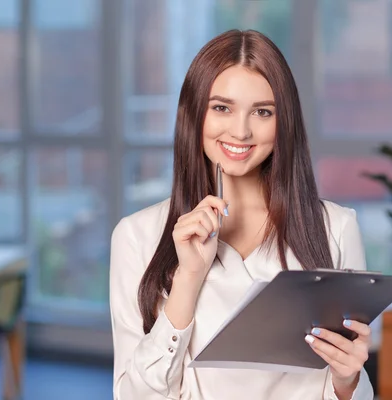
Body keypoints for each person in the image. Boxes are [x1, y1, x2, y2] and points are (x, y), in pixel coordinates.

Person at [109, 29, 374, 400]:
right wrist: (188, 277)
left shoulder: (336, 228)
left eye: (262, 112)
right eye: (222, 108)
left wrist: (348, 380)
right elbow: (133, 396)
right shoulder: (137, 236)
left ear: (284, 122)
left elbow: (355, 390)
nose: (241, 130)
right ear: (194, 112)